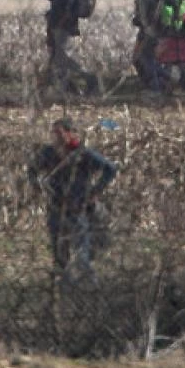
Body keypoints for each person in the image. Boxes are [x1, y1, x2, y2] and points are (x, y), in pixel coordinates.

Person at [27, 118, 117, 284]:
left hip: (77, 207)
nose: (55, 137)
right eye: (53, 133)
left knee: (80, 247)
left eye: (59, 133)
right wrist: (36, 186)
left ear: (69, 134)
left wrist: (95, 191)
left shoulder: (83, 154)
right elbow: (32, 169)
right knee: (58, 247)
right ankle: (64, 281)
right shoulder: (48, 153)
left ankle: (88, 282)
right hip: (55, 205)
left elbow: (110, 169)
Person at [38, 0, 97, 95]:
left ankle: (90, 79)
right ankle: (66, 89)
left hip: (64, 24)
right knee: (58, 58)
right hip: (59, 23)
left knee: (62, 56)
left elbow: (65, 2)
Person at [124, 0, 171, 94]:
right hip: (160, 31)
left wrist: (142, 25)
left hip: (149, 32)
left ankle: (155, 87)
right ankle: (165, 81)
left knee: (144, 58)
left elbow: (144, 16)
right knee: (148, 59)